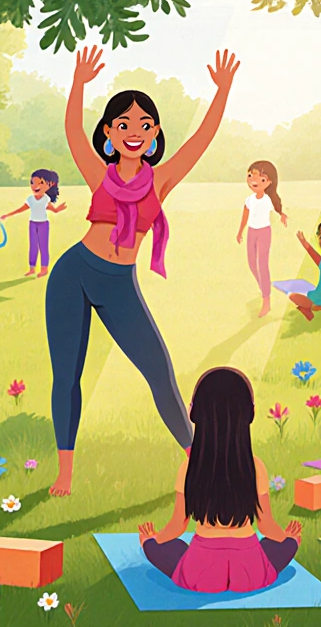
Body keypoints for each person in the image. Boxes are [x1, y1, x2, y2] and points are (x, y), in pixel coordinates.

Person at [46, 46, 240, 497]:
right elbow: (73, 131)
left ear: (154, 134)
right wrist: (78, 82)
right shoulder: (99, 173)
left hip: (119, 284)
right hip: (74, 274)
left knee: (159, 370)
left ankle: (198, 462)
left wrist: (223, 92)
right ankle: (65, 471)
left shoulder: (162, 178)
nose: (135, 132)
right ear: (110, 133)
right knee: (67, 374)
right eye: (124, 125)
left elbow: (201, 140)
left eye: (144, 125)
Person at [138, 367, 303, 593]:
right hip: (250, 571)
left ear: (195, 413)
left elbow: (178, 526)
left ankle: (149, 544)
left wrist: (154, 541)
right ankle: (291, 543)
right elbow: (266, 526)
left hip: (201, 572)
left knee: (167, 548)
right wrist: (288, 539)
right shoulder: (255, 466)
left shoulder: (189, 467)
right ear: (249, 415)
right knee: (280, 545)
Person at [236, 160, 289, 317]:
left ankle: (267, 301)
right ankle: (264, 287)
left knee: (262, 264)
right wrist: (240, 231)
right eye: (251, 176)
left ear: (269, 182)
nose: (254, 181)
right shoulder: (250, 200)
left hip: (264, 233)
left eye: (261, 179)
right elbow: (245, 214)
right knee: (252, 264)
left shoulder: (268, 200)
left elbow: (278, 210)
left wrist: (282, 215)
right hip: (252, 232)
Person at [0, 169, 67, 277]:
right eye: (32, 182)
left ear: (48, 185)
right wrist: (7, 215)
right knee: (33, 246)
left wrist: (59, 209)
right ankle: (32, 268)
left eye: (40, 183)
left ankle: (44, 268)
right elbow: (20, 209)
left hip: (43, 224)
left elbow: (53, 210)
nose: (35, 186)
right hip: (33, 224)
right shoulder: (30, 199)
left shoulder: (46, 199)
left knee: (43, 246)